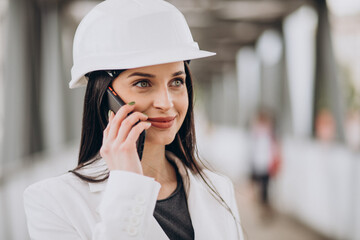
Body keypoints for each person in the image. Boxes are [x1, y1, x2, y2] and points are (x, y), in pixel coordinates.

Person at [23, 0, 244, 239]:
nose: (166, 102)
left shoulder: (218, 188)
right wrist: (127, 184)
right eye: (143, 83)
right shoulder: (52, 202)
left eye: (177, 82)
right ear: (106, 97)